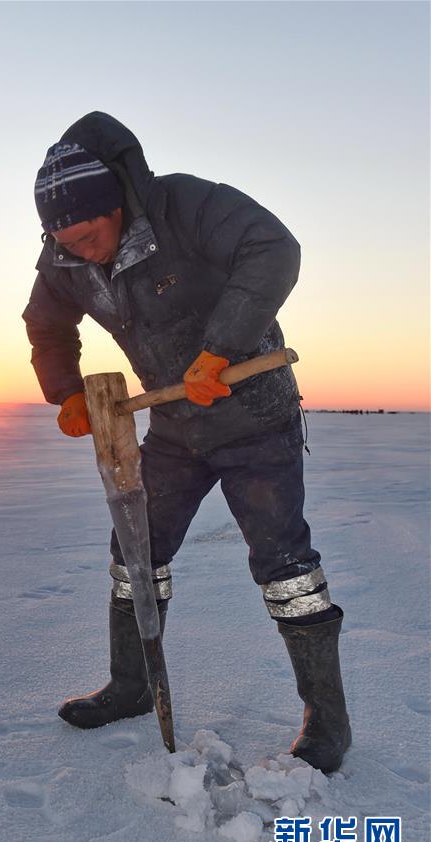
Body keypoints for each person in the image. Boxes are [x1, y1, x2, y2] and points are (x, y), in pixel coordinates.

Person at [23, 112, 351, 774]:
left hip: (255, 411)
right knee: (134, 549)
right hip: (176, 425)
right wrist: (67, 392)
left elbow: (273, 248)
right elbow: (45, 321)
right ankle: (133, 685)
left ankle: (328, 720)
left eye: (90, 234)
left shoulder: (182, 205)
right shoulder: (64, 254)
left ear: (114, 202)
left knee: (286, 565)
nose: (83, 250)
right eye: (66, 239)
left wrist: (220, 347)